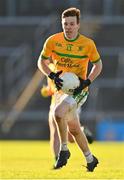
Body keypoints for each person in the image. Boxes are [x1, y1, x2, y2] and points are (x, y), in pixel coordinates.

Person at [37, 7, 102, 171]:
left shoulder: (87, 44)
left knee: (57, 113)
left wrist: (87, 82)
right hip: (61, 92)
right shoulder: (53, 41)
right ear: (62, 24)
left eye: (72, 24)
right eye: (65, 24)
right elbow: (41, 61)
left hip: (79, 90)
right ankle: (90, 158)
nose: (68, 27)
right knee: (73, 129)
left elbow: (98, 65)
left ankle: (64, 151)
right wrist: (51, 75)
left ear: (78, 25)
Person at [41, 64, 94, 160]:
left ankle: (81, 131)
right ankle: (57, 159)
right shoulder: (51, 67)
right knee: (56, 132)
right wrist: (48, 90)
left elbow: (59, 87)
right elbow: (53, 87)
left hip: (68, 101)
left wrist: (47, 90)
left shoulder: (59, 66)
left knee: (70, 136)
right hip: (58, 103)